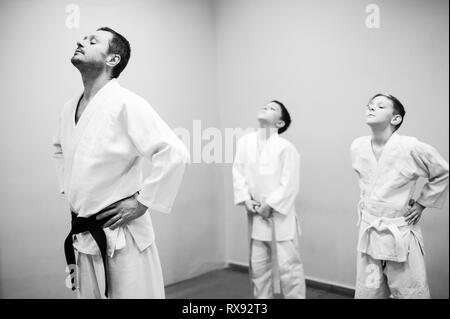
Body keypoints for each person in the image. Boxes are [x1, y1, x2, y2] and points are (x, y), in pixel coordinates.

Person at [52, 27, 190, 299]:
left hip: (122, 238)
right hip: (84, 235)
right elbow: (58, 148)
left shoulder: (126, 103)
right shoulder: (70, 107)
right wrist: (72, 189)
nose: (81, 41)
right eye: (84, 38)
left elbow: (174, 152)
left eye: (93, 41)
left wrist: (143, 202)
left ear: (112, 59)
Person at [350, 93, 449, 299]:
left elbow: (442, 171)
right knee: (369, 291)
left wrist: (422, 203)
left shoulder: (410, 147)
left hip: (400, 233)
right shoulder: (357, 146)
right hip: (369, 233)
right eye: (369, 105)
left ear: (395, 118)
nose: (371, 108)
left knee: (409, 292)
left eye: (380, 106)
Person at [232, 100, 306, 299]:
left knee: (289, 268)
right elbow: (238, 172)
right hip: (256, 213)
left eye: (272, 108)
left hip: (279, 216)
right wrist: (246, 200)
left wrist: (270, 204)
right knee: (258, 267)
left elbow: (290, 183)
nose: (266, 107)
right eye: (265, 105)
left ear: (280, 123)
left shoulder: (286, 147)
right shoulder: (244, 142)